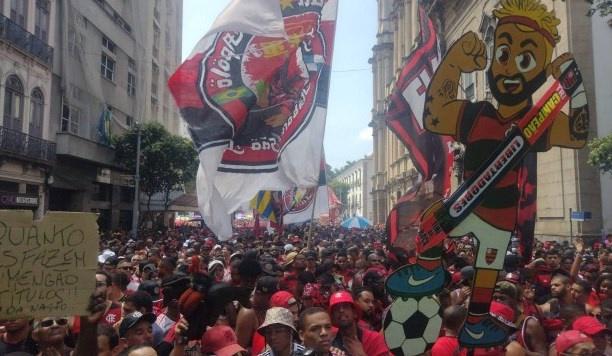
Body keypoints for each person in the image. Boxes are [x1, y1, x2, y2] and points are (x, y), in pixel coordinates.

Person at [387, 0, 589, 347]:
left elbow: (578, 134)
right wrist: (453, 65)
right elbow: (434, 116)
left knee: (488, 267)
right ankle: (426, 272)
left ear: (540, 71)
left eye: (526, 60)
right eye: (504, 54)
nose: (511, 69)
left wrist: (576, 87)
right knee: (434, 219)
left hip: (500, 218)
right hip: (467, 204)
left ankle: (477, 320)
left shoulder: (542, 124)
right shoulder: (477, 113)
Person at [328, 291, 390, 356]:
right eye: (336, 308)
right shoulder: (328, 342)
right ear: (332, 317)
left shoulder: (374, 339)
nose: (341, 310)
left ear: (355, 313)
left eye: (345, 306)